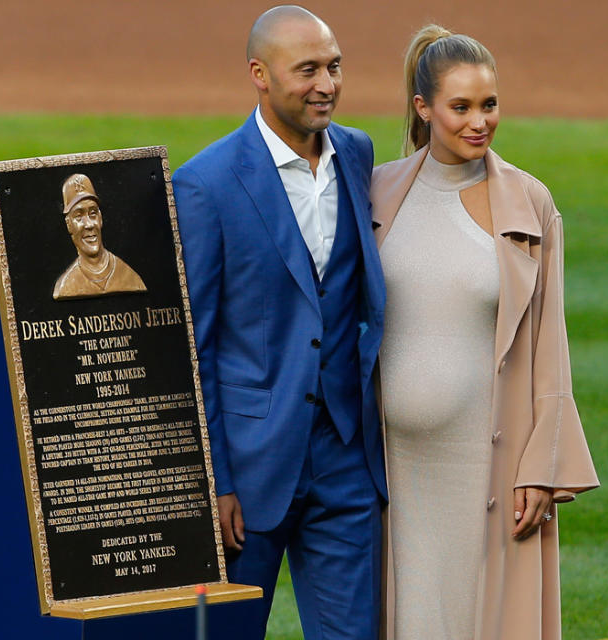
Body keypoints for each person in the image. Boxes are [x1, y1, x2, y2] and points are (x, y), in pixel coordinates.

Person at [370, 24, 599, 640]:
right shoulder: (376, 192)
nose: (480, 121)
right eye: (461, 107)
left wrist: (542, 466)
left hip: (489, 470)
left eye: (489, 104)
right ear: (424, 108)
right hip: (395, 473)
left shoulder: (530, 201)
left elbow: (550, 344)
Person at [172, 6, 386, 640]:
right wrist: (215, 480)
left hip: (345, 456)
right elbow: (195, 347)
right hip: (249, 470)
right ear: (260, 74)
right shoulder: (205, 184)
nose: (326, 84)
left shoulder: (356, 152)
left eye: (335, 66)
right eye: (308, 70)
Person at [53, 173, 147, 299]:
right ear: (69, 225)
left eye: (92, 213)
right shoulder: (66, 286)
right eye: (79, 216)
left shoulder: (129, 277)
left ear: (100, 218)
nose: (89, 224)